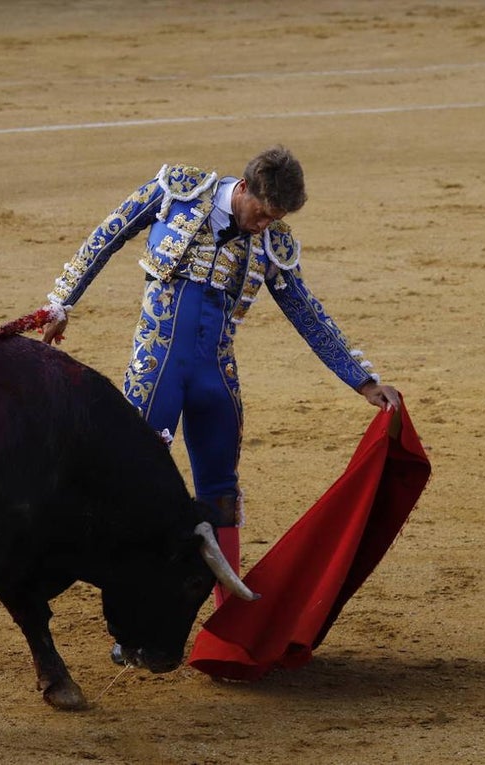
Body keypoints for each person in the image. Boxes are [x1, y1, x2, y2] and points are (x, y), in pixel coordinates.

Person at [40, 146, 401, 612]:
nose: (264, 225)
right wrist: (61, 302)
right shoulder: (178, 192)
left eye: (275, 219)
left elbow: (306, 313)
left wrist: (363, 380)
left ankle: (227, 617)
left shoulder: (272, 244)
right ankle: (126, 607)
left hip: (216, 376)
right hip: (157, 370)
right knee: (128, 483)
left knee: (222, 495)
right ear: (245, 188)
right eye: (262, 213)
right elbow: (107, 234)